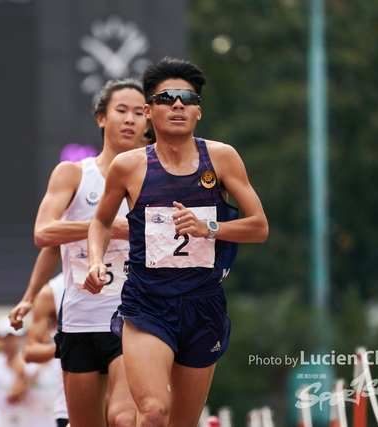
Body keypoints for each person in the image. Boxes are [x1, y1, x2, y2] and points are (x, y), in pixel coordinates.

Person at [84, 57, 269, 427]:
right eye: (167, 97)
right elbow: (101, 221)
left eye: (188, 98)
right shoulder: (129, 166)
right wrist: (95, 261)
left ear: (198, 111)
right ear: (149, 111)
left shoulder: (221, 158)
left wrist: (210, 227)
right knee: (152, 412)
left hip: (203, 305)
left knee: (181, 422)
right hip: (147, 305)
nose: (179, 104)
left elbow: (259, 227)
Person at [33, 78, 148, 427]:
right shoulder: (72, 174)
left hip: (133, 318)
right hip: (79, 318)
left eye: (139, 113)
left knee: (125, 417)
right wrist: (103, 226)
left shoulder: (154, 177)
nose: (130, 119)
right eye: (121, 110)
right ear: (101, 118)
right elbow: (43, 233)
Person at [22, 272, 69, 427]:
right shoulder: (52, 291)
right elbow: (29, 352)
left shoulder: (126, 273)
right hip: (68, 407)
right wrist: (71, 347)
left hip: (119, 403)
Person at [0, 317, 31, 427]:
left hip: (24, 419)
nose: (10, 342)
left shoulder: (28, 363)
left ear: (19, 338)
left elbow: (13, 397)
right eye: (6, 338)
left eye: (13, 337)